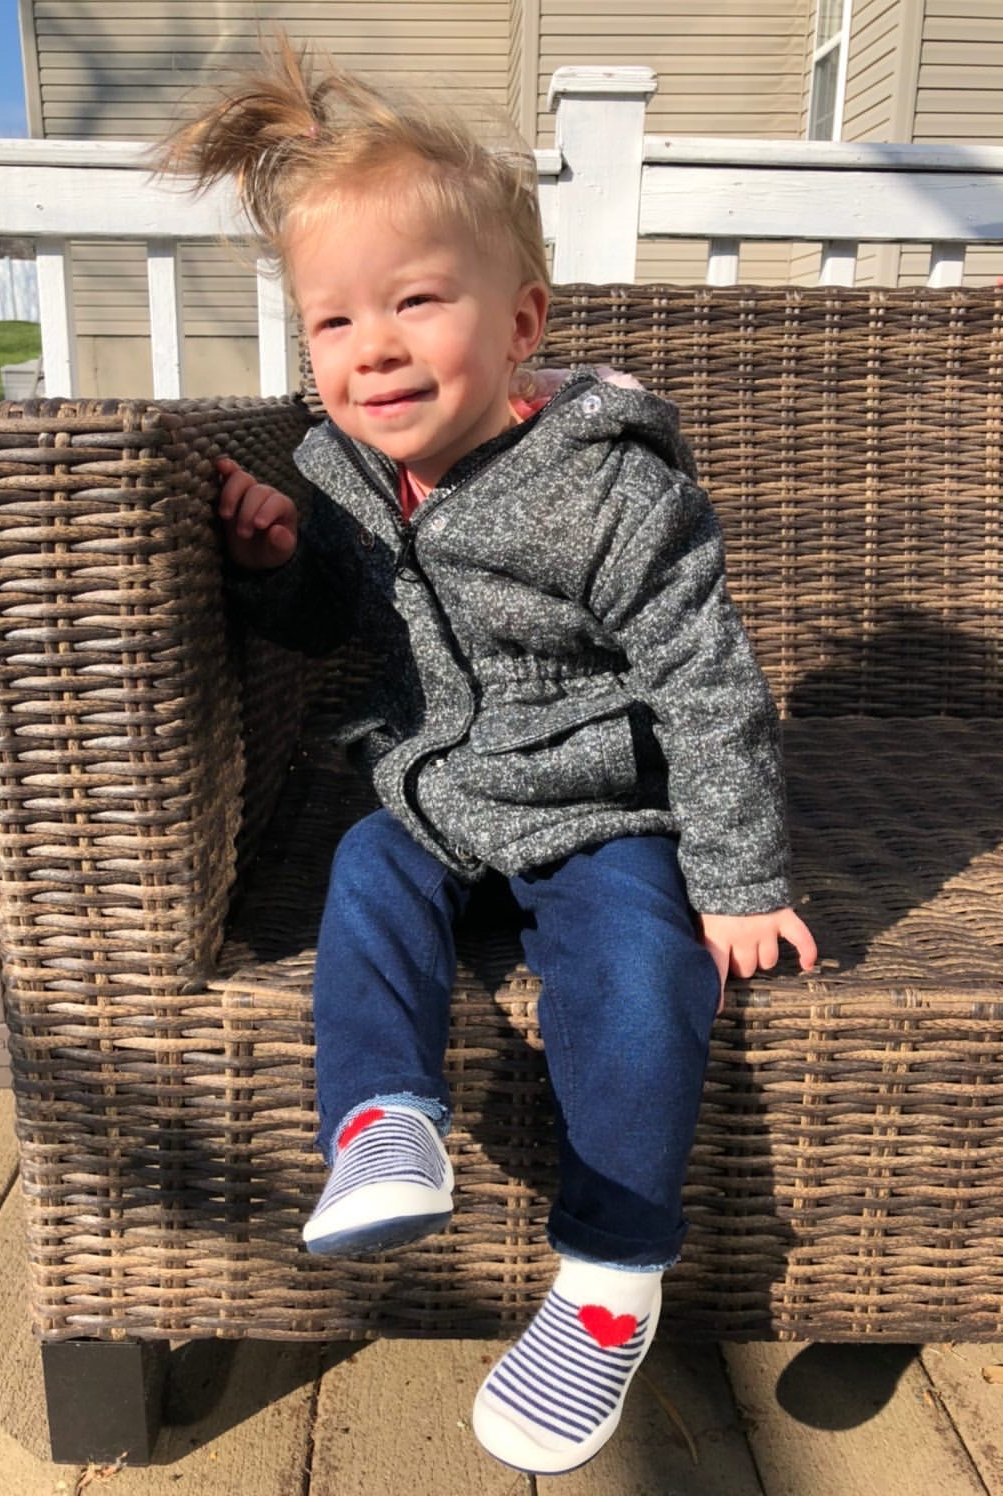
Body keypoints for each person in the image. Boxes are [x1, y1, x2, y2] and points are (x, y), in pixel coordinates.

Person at [162, 38, 818, 1476]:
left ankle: (606, 1282)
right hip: (430, 791)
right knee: (364, 873)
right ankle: (384, 1124)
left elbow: (707, 685)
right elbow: (340, 618)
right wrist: (277, 562)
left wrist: (735, 876)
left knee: (644, 973)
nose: (372, 349)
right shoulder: (338, 470)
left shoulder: (605, 486)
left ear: (519, 322)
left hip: (600, 806)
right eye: (333, 322)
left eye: (413, 303)